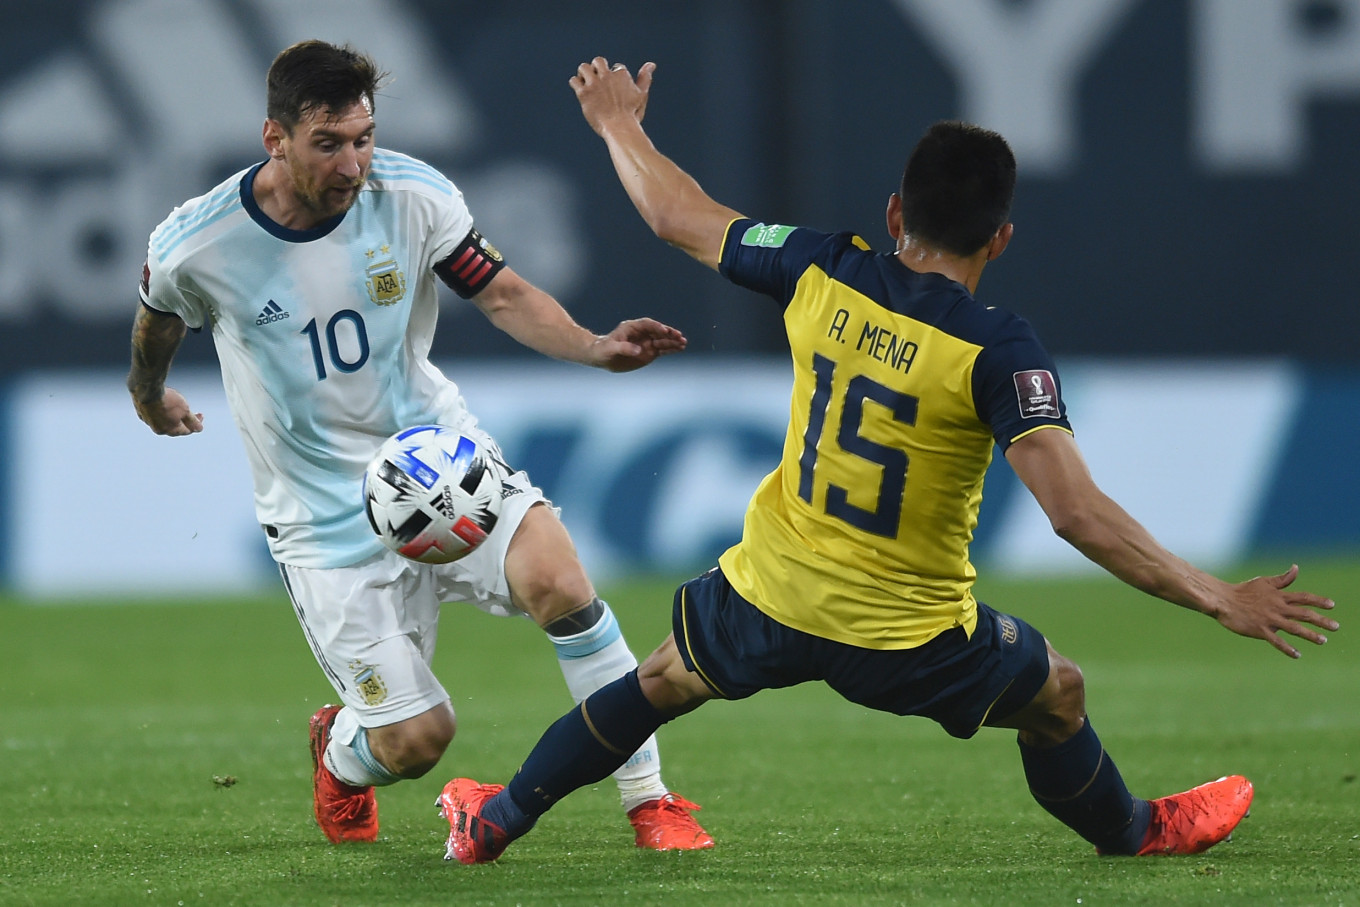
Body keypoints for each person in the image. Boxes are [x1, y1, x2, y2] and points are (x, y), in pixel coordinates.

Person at [436, 56, 1341, 864]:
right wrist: (1218, 595)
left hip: (771, 592)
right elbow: (1076, 513)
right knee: (1058, 691)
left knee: (661, 679)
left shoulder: (824, 268)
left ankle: (499, 816)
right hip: (907, 636)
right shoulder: (1000, 349)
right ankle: (1135, 829)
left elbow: (678, 217)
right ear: (1001, 238)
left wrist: (618, 124)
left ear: (896, 212)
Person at [127, 41, 713, 853]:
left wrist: (593, 346)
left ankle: (652, 800)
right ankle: (342, 755)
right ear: (275, 139)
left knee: (562, 582)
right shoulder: (201, 241)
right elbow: (158, 315)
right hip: (324, 514)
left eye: (363, 138)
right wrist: (147, 393)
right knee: (417, 741)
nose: (353, 162)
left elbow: (501, 292)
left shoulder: (413, 194)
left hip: (440, 462)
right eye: (328, 143)